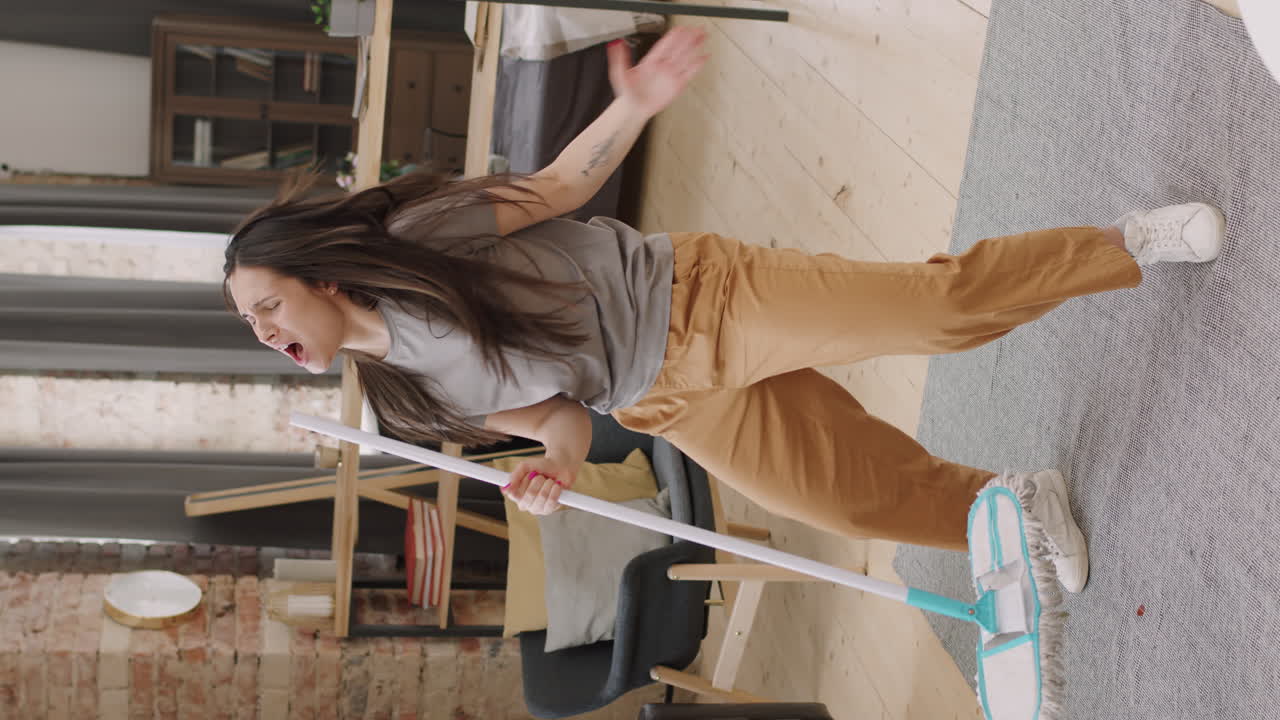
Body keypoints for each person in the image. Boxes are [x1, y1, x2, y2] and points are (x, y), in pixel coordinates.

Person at [223, 27, 1225, 593]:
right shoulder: (405, 404)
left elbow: (561, 188)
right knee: (842, 500)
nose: (268, 333)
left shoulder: (417, 244)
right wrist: (557, 466)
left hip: (698, 298)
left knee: (939, 311)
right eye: (254, 329)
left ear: (319, 274)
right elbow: (558, 412)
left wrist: (638, 103)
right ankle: (1016, 503)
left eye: (268, 305)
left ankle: (1123, 242)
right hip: (662, 399)